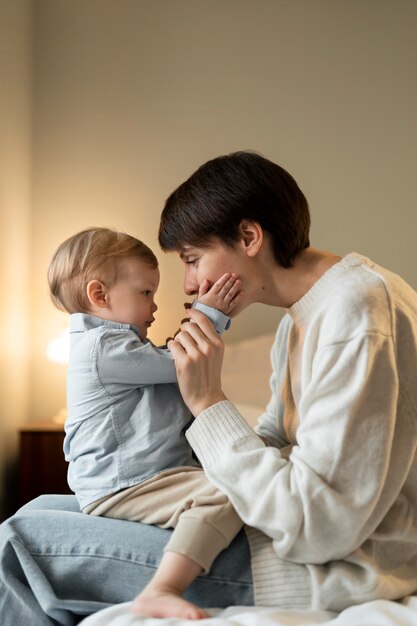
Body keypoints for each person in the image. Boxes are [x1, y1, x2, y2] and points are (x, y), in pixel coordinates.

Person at [0, 151, 416, 625]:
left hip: (322, 567)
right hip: (277, 533)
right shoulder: (303, 318)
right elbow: (279, 446)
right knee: (39, 507)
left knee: (16, 541)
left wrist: (208, 402)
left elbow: (321, 527)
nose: (190, 286)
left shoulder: (356, 315)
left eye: (193, 259)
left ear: (248, 236)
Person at [46, 226, 243, 620]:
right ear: (99, 295)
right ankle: (162, 589)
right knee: (227, 490)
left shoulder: (119, 347)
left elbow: (171, 360)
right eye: (146, 293)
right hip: (125, 482)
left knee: (235, 479)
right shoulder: (102, 348)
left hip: (143, 477)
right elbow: (180, 363)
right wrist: (209, 316)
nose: (155, 305)